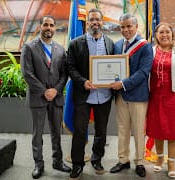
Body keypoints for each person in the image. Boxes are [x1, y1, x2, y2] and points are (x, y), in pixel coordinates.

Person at [20, 15, 71, 179]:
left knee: (57, 132)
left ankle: (58, 161)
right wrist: (44, 91)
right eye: (45, 25)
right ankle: (38, 164)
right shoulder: (29, 47)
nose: (49, 28)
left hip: (56, 98)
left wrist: (55, 90)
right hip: (38, 98)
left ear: (55, 28)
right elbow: (27, 73)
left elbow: (64, 74)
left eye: (51, 25)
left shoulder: (60, 49)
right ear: (40, 27)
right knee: (38, 134)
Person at [66, 8, 114, 179]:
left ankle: (96, 158)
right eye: (92, 20)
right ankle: (77, 163)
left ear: (102, 22)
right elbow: (70, 67)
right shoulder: (75, 43)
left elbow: (114, 66)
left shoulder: (110, 43)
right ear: (87, 23)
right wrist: (83, 82)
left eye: (98, 20)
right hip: (83, 95)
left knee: (101, 131)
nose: (95, 23)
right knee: (79, 130)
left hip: (105, 95)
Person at [109, 13, 153, 178]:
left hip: (138, 96)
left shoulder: (145, 46)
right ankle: (123, 159)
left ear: (136, 27)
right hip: (120, 96)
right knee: (122, 129)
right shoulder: (118, 44)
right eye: (122, 27)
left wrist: (123, 84)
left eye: (129, 26)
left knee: (138, 130)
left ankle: (139, 161)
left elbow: (144, 72)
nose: (126, 29)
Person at [146, 22, 175, 178]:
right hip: (155, 96)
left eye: (167, 32)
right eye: (161, 32)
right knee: (157, 130)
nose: (164, 35)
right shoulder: (150, 51)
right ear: (156, 35)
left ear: (172, 34)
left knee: (172, 131)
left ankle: (171, 163)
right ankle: (159, 160)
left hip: (173, 96)